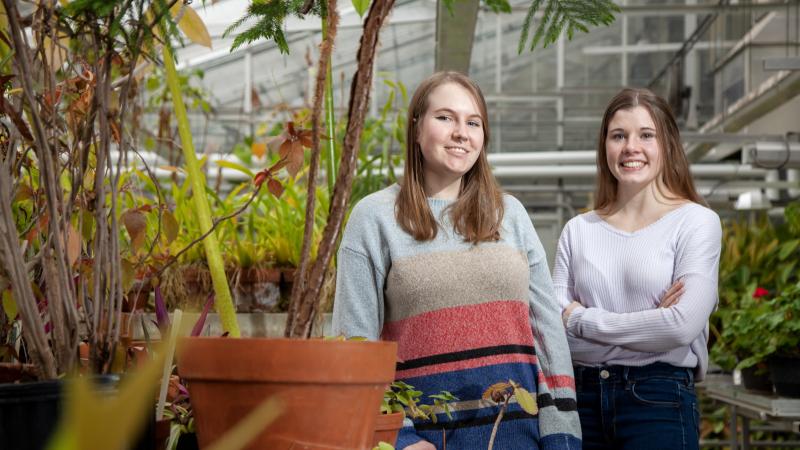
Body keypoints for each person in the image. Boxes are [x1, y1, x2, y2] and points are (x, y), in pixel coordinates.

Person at [332, 71, 581, 450]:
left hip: (519, 436)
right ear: (416, 129)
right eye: (445, 117)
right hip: (427, 440)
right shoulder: (375, 218)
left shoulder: (510, 215)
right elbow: (355, 343)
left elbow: (547, 332)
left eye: (473, 122)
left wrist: (562, 434)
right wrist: (399, 439)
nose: (461, 132)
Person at [553, 88, 721, 450]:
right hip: (580, 402)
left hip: (658, 399)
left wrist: (582, 319)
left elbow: (680, 326)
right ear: (605, 147)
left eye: (646, 135)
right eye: (619, 136)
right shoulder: (579, 230)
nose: (631, 146)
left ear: (667, 144)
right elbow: (554, 332)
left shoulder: (695, 222)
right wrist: (649, 322)